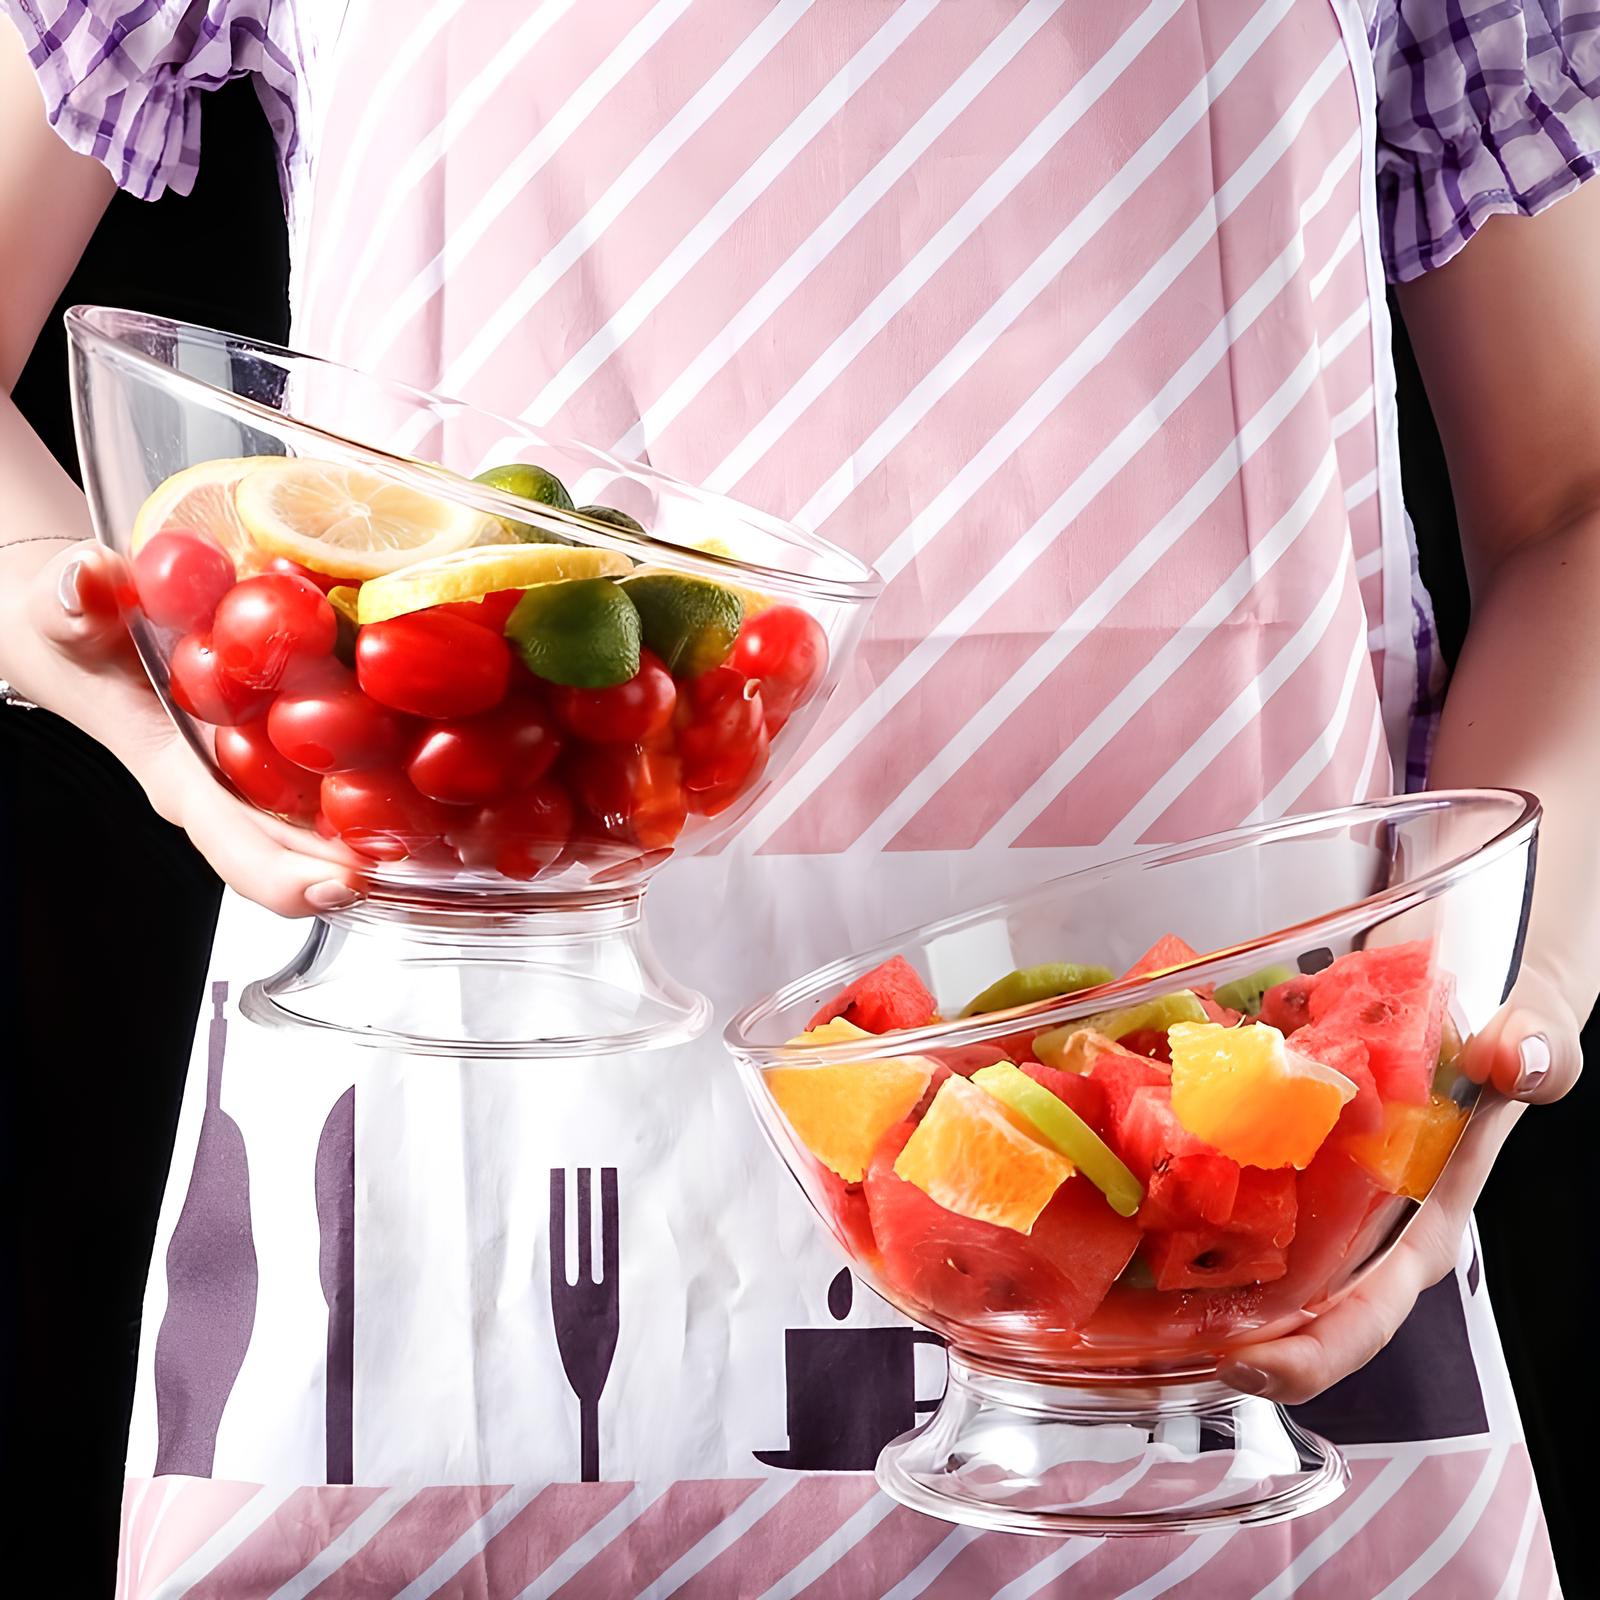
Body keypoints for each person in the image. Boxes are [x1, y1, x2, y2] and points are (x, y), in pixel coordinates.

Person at [1, 1, 1592, 1592]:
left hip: (1240, 1206)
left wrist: (1499, 997)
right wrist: (158, 721)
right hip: (458, 1088)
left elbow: (1575, 503)